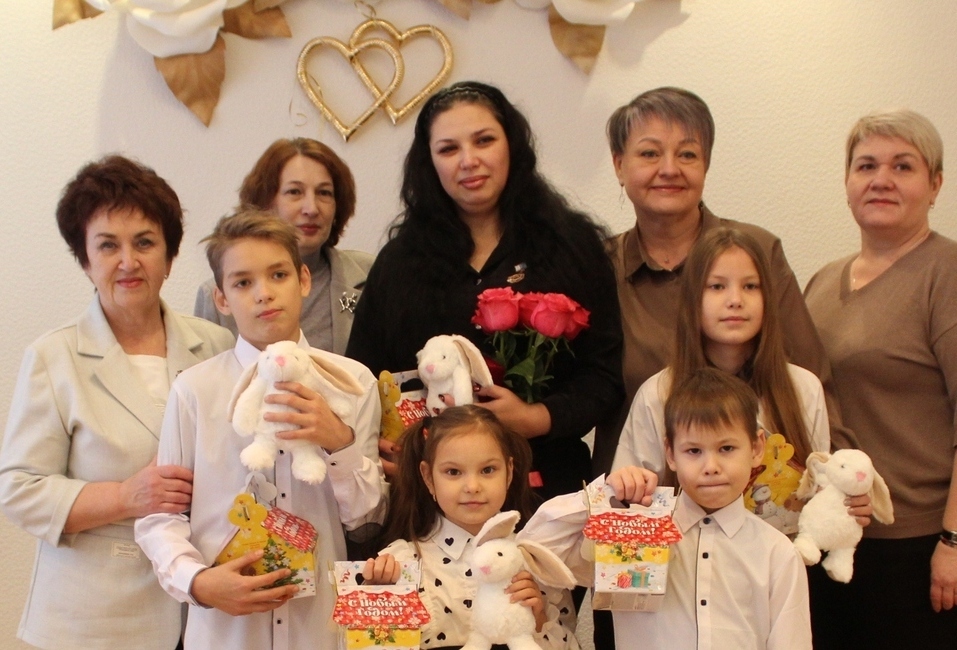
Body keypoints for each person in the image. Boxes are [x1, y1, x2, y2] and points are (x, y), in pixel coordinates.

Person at [346, 81, 623, 499]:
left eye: (484, 141)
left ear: (512, 145)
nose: (469, 161)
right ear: (429, 163)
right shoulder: (400, 262)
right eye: (448, 149)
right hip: (433, 490)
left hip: (547, 486)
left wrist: (536, 417)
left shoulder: (572, 245)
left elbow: (604, 376)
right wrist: (383, 446)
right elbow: (363, 378)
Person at [0, 155, 234, 650]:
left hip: (204, 613)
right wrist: (127, 496)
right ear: (85, 260)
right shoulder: (53, 356)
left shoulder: (216, 345)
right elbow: (18, 489)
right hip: (95, 621)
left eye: (144, 243)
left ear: (170, 257)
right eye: (108, 245)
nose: (128, 261)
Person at [134, 210, 385, 649]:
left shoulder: (353, 382)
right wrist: (197, 581)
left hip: (318, 630)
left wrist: (338, 442)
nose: (264, 293)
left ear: (303, 280)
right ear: (221, 298)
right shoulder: (194, 391)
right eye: (243, 282)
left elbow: (367, 519)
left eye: (278, 275)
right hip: (225, 633)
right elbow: (160, 516)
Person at [594, 87, 841, 480]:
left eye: (687, 154)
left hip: (764, 500)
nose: (669, 169)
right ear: (620, 165)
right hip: (646, 495)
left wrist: (838, 486)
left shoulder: (757, 252)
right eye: (650, 153)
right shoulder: (597, 266)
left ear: (705, 165)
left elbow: (810, 388)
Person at [804, 108, 957, 648]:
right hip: (831, 537)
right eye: (866, 165)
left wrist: (954, 542)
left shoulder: (946, 274)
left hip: (916, 546)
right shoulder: (823, 281)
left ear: (935, 185)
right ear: (848, 182)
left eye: (903, 166)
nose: (881, 179)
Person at [520, 368, 812, 650]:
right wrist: (604, 493)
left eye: (726, 448)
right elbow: (532, 547)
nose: (711, 467)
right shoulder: (631, 533)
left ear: (757, 447)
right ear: (670, 453)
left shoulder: (777, 553)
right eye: (694, 451)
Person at [613, 227, 829, 535]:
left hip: (782, 559)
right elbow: (627, 503)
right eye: (716, 286)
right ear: (692, 299)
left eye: (750, 286)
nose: (735, 300)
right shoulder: (658, 393)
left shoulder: (803, 388)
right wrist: (628, 488)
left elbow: (820, 495)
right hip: (684, 559)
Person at [361, 405, 579, 649]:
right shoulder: (402, 563)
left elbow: (569, 641)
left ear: (509, 472)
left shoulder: (537, 560)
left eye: (488, 470)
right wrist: (378, 601)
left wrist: (538, 620)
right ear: (428, 477)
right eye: (453, 472)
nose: (472, 486)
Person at [195, 138, 373, 355]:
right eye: (294, 192)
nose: (311, 208)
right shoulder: (215, 295)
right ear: (265, 202)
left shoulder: (370, 274)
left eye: (324, 193)